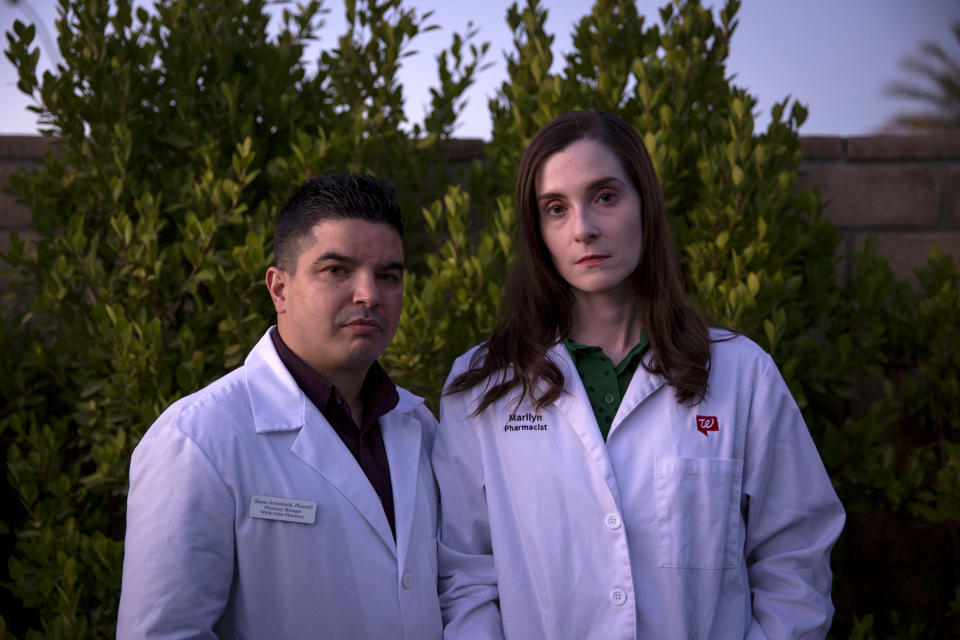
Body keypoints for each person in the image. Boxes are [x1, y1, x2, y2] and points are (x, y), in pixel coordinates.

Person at [432, 111, 845, 639]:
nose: (583, 228)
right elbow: (466, 575)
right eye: (556, 209)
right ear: (538, 232)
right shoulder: (484, 385)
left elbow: (796, 556)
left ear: (645, 205)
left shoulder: (742, 373)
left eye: (605, 196)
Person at [118, 173, 442, 639]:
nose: (369, 294)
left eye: (388, 275)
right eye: (337, 270)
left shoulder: (419, 428)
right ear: (279, 289)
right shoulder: (196, 441)